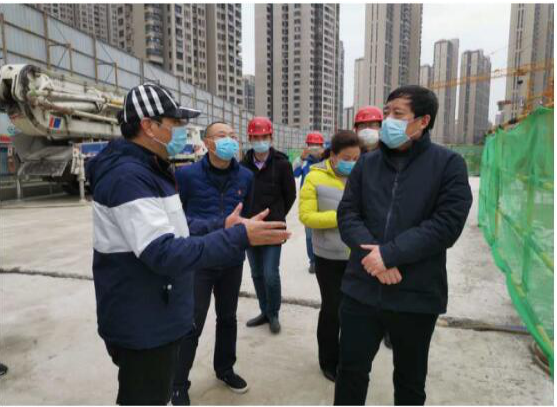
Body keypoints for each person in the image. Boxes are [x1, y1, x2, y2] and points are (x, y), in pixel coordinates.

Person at [86, 84, 290, 405]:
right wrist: (238, 236)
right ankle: (180, 383)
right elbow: (163, 251)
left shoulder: (152, 168)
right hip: (143, 320)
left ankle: (220, 369)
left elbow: (176, 224)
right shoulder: (129, 177)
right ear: (149, 126)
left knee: (222, 321)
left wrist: (222, 226)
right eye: (176, 122)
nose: (182, 130)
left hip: (159, 309)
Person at [334, 85, 472, 405]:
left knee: (410, 382)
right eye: (386, 113)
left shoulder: (448, 164)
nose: (387, 121)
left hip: (415, 295)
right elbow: (348, 214)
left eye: (398, 114)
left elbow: (446, 224)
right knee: (351, 371)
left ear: (423, 121)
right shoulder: (367, 164)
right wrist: (376, 260)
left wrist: (389, 254)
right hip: (361, 290)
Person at [172, 122, 253, 405]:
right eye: (221, 136)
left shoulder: (246, 176)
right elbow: (177, 220)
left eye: (232, 136)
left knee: (228, 318)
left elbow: (246, 217)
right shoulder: (186, 175)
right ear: (207, 142)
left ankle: (225, 369)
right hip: (198, 259)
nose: (229, 140)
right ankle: (178, 382)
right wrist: (219, 225)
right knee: (191, 322)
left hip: (231, 260)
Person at [299, 130, 361, 383]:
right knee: (332, 309)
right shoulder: (314, 177)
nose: (352, 163)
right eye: (347, 158)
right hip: (329, 257)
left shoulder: (362, 176)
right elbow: (306, 216)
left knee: (354, 311)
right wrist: (341, 217)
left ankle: (349, 355)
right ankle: (328, 360)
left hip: (357, 255)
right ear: (333, 156)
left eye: (356, 158)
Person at [241, 117, 297, 334]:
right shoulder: (243, 166)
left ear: (271, 138)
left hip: (273, 228)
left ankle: (273, 313)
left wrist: (278, 215)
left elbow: (290, 195)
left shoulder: (282, 164)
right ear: (250, 139)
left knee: (270, 273)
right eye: (255, 137)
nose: (260, 141)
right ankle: (264, 311)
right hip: (249, 228)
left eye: (263, 137)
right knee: (256, 273)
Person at [353, 105, 393, 350]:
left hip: (386, 235)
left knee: (388, 286)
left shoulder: (391, 157)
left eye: (374, 125)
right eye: (363, 126)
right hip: (356, 236)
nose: (368, 130)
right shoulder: (350, 156)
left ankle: (388, 329)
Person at [293, 132, 325, 274]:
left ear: (322, 146)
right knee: (309, 234)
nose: (315, 148)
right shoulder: (305, 161)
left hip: (324, 199)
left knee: (325, 232)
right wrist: (301, 158)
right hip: (308, 203)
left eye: (318, 146)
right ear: (307, 146)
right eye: (312, 145)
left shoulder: (328, 160)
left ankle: (324, 260)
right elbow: (293, 172)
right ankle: (313, 261)